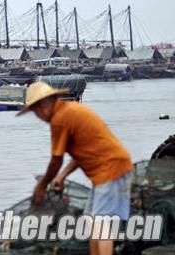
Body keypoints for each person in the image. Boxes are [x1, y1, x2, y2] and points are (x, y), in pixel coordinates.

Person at [18, 81, 133, 255]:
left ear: (43, 105)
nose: (38, 116)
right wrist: (61, 176)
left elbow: (56, 160)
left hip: (111, 169)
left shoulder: (60, 119)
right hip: (108, 170)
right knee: (91, 220)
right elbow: (82, 154)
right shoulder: (69, 111)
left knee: (101, 223)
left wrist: (41, 185)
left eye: (36, 111)